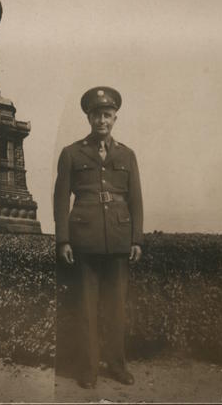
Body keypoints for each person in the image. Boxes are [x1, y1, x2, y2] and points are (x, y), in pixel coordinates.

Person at [53, 86, 143, 389]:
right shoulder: (71, 153)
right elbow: (60, 198)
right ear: (89, 118)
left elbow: (136, 200)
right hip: (84, 241)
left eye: (107, 115)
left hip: (118, 240)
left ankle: (117, 366)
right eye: (96, 115)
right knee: (86, 310)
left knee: (117, 310)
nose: (101, 120)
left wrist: (137, 240)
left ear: (115, 118)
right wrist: (63, 240)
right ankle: (88, 369)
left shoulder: (127, 155)